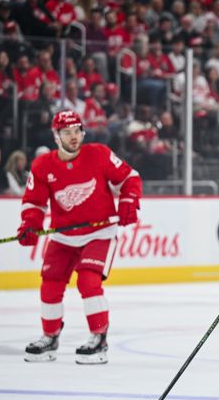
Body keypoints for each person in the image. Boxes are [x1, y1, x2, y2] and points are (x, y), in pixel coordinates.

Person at [18, 110, 142, 364]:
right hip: (63, 236)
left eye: (77, 131)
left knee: (88, 281)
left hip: (99, 232)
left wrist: (129, 201)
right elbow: (34, 202)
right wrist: (30, 224)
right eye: (66, 132)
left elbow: (130, 178)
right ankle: (50, 337)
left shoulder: (99, 154)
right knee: (50, 283)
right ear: (56, 136)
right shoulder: (42, 165)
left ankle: (99, 339)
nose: (73, 137)